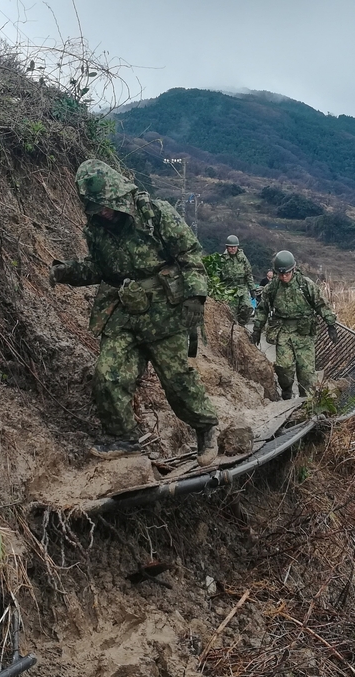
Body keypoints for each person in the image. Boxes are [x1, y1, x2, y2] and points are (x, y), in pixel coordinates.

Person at [50, 159, 220, 465]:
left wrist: (196, 296)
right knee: (108, 374)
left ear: (117, 194)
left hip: (164, 313)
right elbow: (99, 269)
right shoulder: (97, 230)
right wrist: (69, 272)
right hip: (122, 312)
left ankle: (206, 429)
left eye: (104, 204)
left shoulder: (155, 214)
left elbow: (189, 253)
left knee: (177, 379)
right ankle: (123, 438)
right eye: (95, 207)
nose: (101, 211)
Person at [250, 250, 339, 400]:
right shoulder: (272, 288)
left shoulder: (306, 285)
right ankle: (286, 392)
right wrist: (257, 330)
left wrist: (331, 324)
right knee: (284, 368)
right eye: (280, 274)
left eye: (287, 274)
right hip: (283, 333)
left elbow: (321, 304)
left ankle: (306, 403)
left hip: (304, 334)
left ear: (293, 269)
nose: (284, 277)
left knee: (306, 373)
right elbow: (262, 309)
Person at [218, 235, 257, 325]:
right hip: (229, 289)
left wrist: (252, 289)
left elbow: (248, 274)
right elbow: (218, 276)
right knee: (231, 313)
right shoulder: (222, 260)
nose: (233, 249)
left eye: (235, 247)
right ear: (227, 247)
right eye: (231, 247)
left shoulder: (242, 258)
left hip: (242, 288)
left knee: (247, 307)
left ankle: (241, 325)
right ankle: (233, 328)